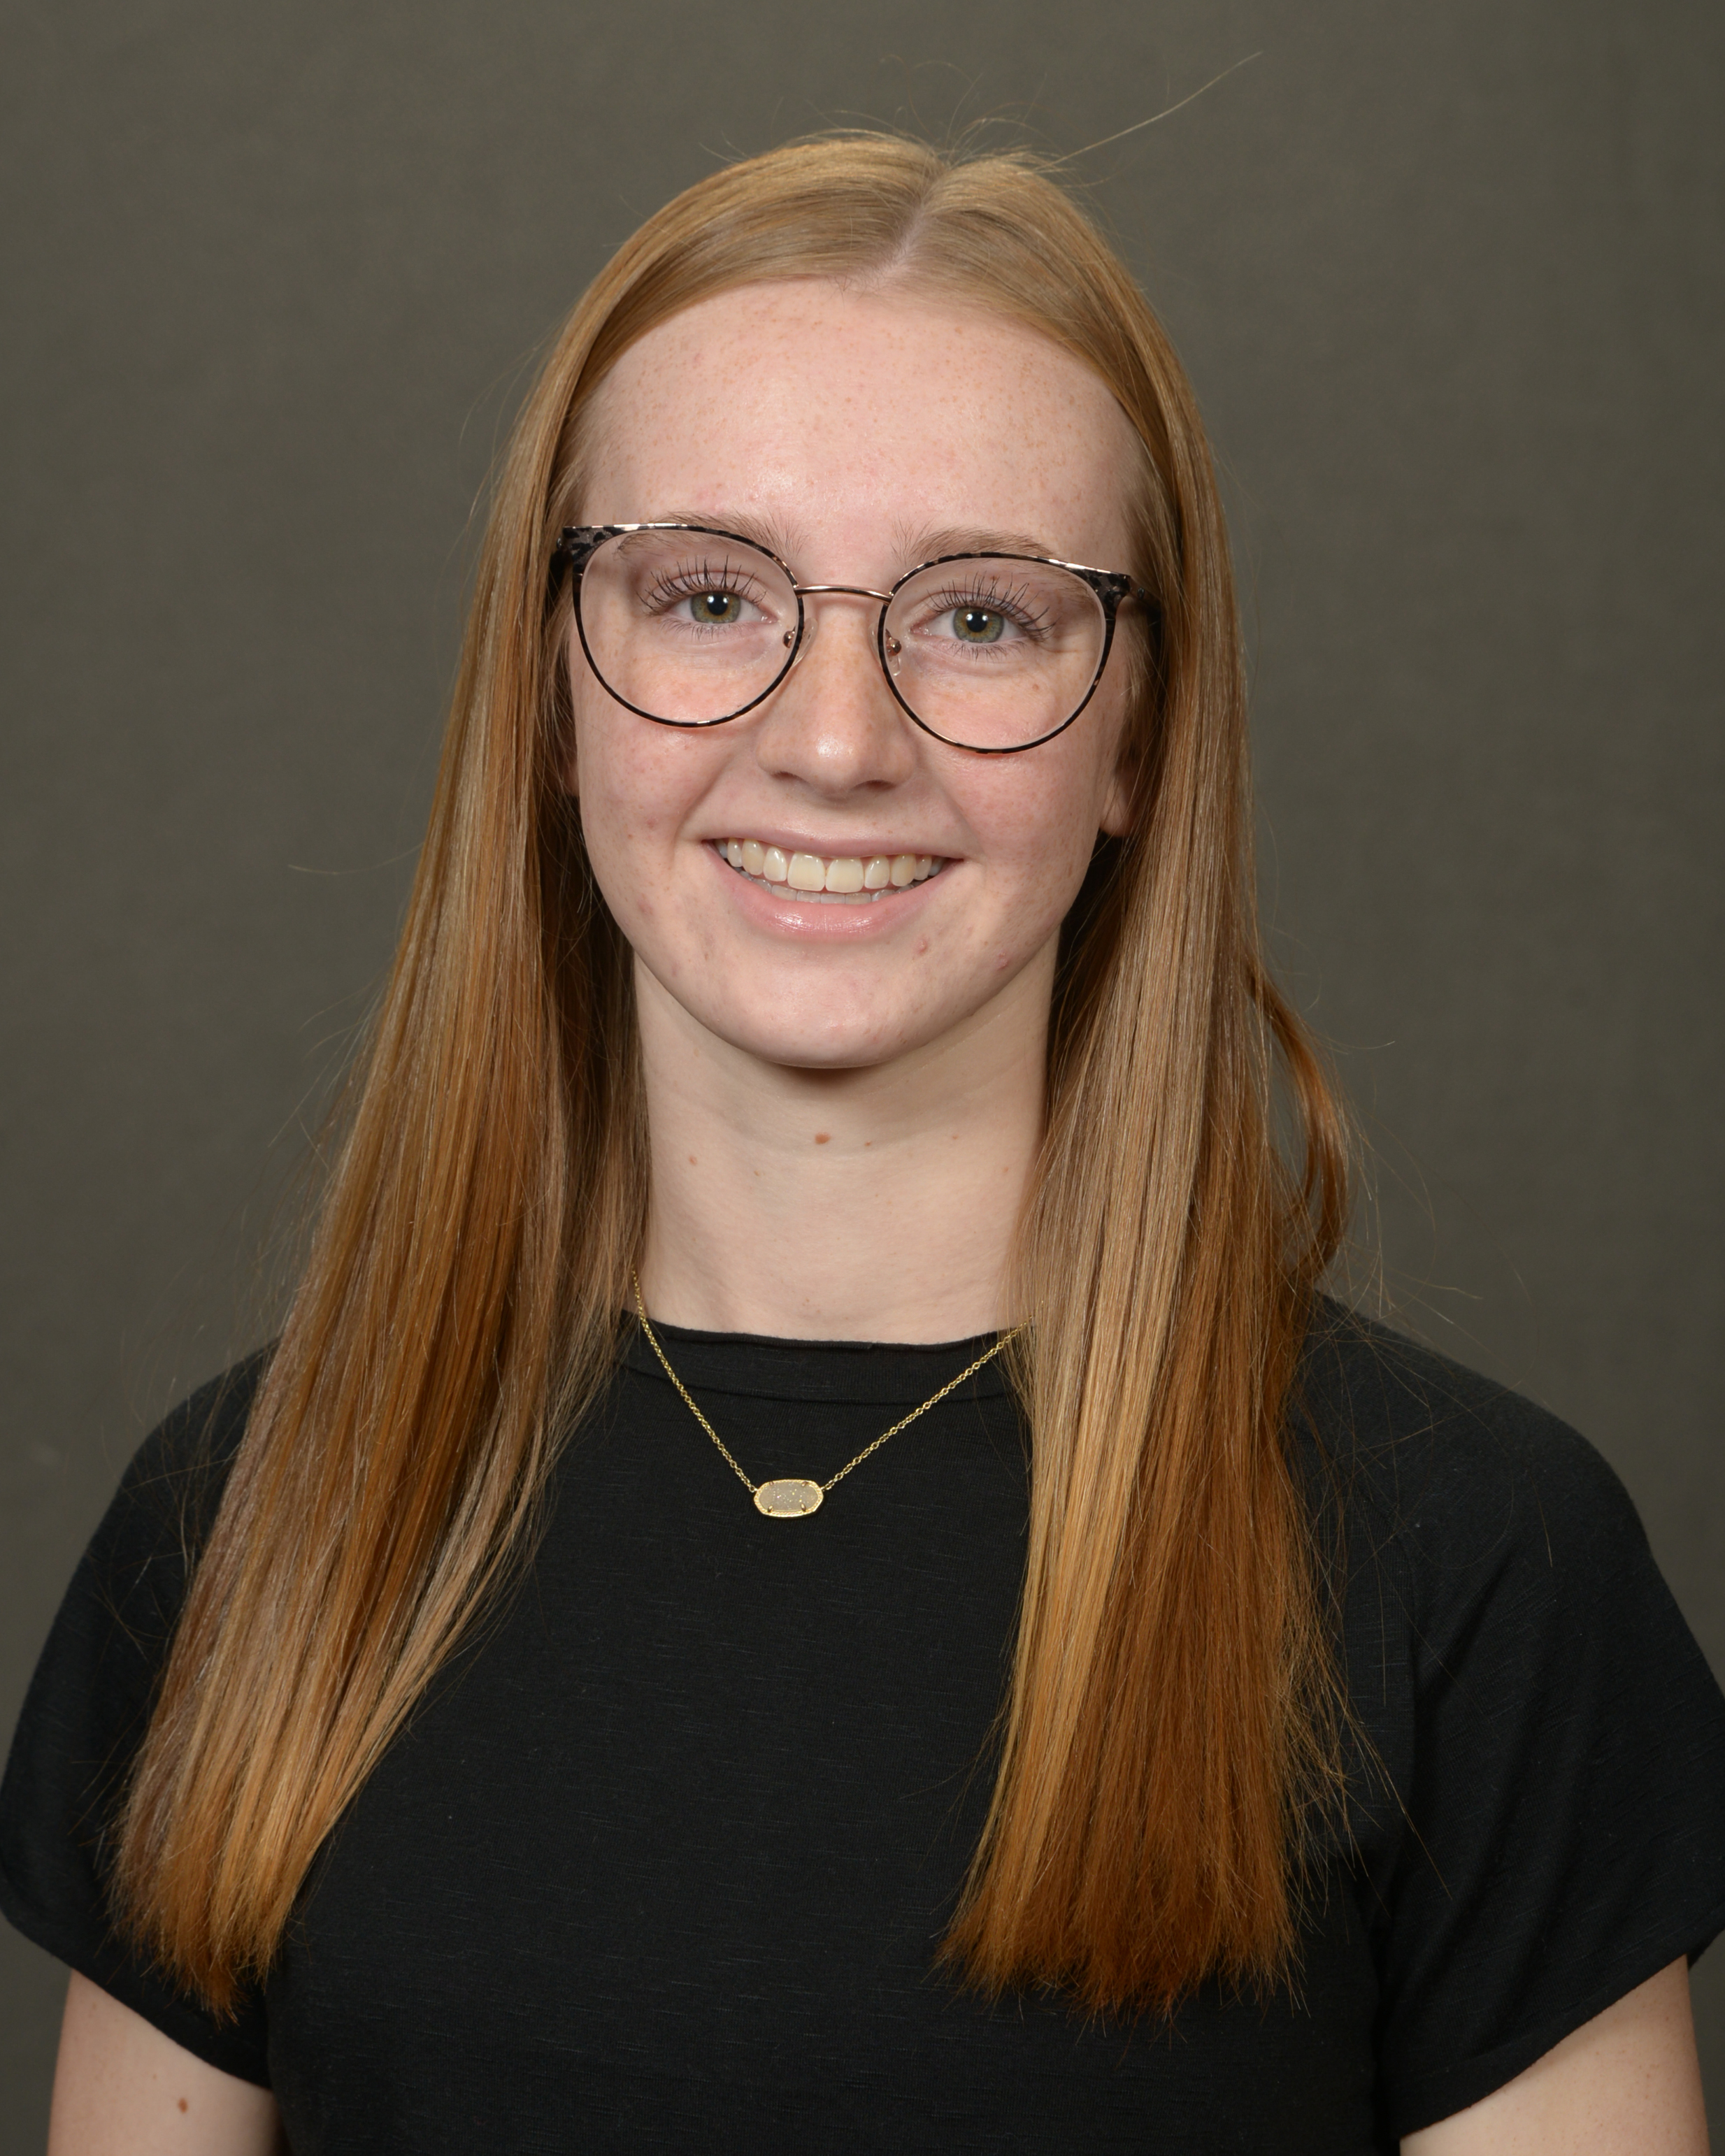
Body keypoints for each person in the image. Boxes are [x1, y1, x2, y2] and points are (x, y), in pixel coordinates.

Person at [3, 133, 1722, 2156]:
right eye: (707, 596)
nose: (834, 741)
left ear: (1139, 735)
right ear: (550, 693)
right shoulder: (253, 1526)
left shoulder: (1479, 1567)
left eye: (980, 617)